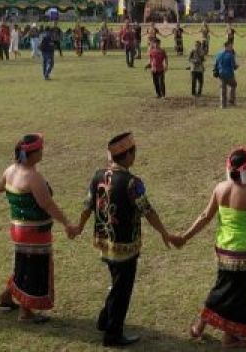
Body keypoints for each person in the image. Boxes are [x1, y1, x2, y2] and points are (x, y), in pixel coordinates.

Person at [71, 133, 178, 347]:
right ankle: (112, 334)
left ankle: (104, 320)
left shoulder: (98, 175)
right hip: (125, 245)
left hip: (104, 241)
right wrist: (164, 233)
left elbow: (88, 205)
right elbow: (148, 211)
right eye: (133, 152)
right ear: (128, 155)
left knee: (117, 283)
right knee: (122, 290)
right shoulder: (132, 183)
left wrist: (79, 227)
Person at [179, 148, 246, 346]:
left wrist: (185, 236)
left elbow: (205, 217)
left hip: (223, 249)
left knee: (222, 288)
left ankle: (201, 326)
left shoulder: (219, 188)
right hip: (244, 252)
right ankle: (229, 337)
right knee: (241, 295)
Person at [0, 133, 79, 323]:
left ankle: (6, 297)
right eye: (40, 150)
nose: (42, 152)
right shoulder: (33, 177)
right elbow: (47, 205)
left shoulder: (11, 170)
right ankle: (26, 312)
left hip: (18, 229)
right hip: (35, 232)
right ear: (32, 154)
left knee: (23, 265)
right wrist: (67, 223)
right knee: (34, 269)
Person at [213, 41, 239, 109]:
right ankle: (231, 100)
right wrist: (237, 66)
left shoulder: (218, 54)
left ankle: (223, 105)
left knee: (223, 89)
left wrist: (216, 70)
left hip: (221, 73)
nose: (232, 47)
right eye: (231, 46)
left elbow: (215, 63)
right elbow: (234, 66)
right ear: (227, 46)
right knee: (233, 85)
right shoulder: (230, 55)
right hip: (229, 73)